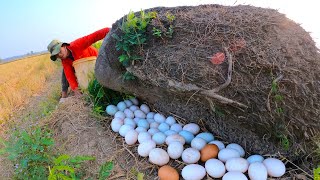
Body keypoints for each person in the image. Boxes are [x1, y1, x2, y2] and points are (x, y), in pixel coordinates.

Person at [47, 27, 110, 99]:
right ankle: (64, 94)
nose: (59, 55)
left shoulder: (77, 44)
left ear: (64, 46)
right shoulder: (64, 60)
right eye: (56, 55)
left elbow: (94, 36)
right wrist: (76, 90)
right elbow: (69, 75)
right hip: (82, 69)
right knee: (65, 71)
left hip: (95, 61)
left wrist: (110, 30)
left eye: (59, 51)